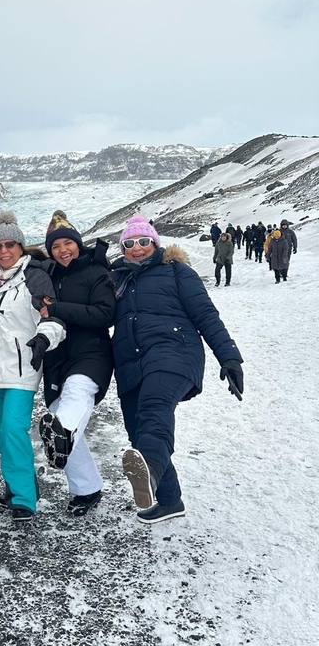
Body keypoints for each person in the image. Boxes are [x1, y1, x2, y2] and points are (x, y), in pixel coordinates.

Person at [111, 215, 244, 525]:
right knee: (138, 431)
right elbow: (94, 312)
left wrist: (230, 358)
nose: (137, 248)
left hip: (175, 351)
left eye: (144, 241)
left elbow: (207, 315)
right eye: (129, 244)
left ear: (155, 243)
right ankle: (170, 500)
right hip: (131, 362)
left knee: (154, 407)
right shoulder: (116, 280)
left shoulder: (176, 271)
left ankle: (151, 475)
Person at [0, 213, 65, 524]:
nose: (4, 251)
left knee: (14, 429)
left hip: (22, 366)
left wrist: (44, 337)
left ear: (21, 246)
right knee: (0, 437)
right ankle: (20, 477)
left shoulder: (33, 276)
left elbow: (51, 315)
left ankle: (23, 498)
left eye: (10, 244)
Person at [37, 210, 116, 517]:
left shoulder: (96, 273)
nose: (62, 251)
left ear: (78, 244)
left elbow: (104, 314)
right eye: (55, 247)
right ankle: (87, 488)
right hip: (57, 356)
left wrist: (58, 308)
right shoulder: (48, 274)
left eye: (67, 244)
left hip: (91, 352)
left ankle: (63, 432)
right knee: (60, 414)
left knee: (75, 396)